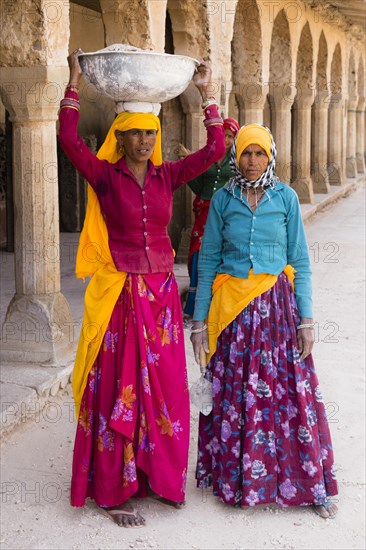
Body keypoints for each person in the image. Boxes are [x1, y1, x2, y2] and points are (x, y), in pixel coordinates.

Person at [58, 49, 225, 527]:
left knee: (166, 387)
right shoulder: (105, 178)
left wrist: (207, 94)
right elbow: (68, 141)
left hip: (163, 296)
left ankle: (159, 478)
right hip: (121, 295)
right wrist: (74, 84)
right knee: (117, 388)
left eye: (150, 133)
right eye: (135, 133)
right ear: (121, 136)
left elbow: (215, 151)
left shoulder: (168, 176)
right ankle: (113, 489)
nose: (144, 141)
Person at [190, 123, 338, 519]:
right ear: (235, 156)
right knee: (237, 398)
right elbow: (208, 262)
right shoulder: (223, 199)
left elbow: (300, 262)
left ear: (269, 155)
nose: (252, 161)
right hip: (234, 315)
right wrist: (199, 322)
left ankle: (308, 483)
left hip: (277, 313)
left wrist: (306, 320)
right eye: (245, 153)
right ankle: (239, 481)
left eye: (258, 153)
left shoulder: (285, 197)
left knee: (291, 396)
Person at [180, 117, 240, 318]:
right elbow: (198, 184)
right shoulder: (210, 154)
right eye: (224, 135)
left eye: (231, 136)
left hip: (226, 213)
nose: (227, 140)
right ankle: (194, 308)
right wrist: (188, 162)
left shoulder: (239, 159)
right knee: (198, 253)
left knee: (220, 254)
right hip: (204, 211)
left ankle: (217, 304)